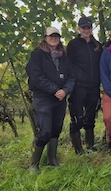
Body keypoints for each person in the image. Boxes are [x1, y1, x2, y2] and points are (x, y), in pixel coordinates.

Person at [26, 26, 75, 170]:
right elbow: (36, 77)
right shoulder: (37, 55)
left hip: (60, 98)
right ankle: (34, 164)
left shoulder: (64, 56)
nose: (54, 39)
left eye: (56, 36)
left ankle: (52, 159)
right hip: (43, 97)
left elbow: (72, 76)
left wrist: (65, 90)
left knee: (56, 129)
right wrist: (55, 90)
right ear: (45, 38)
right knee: (44, 131)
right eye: (50, 36)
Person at [67, 16, 102, 154]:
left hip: (93, 86)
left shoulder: (97, 45)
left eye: (88, 27)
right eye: (83, 28)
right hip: (78, 86)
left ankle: (90, 146)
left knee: (90, 117)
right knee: (77, 118)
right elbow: (68, 65)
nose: (86, 30)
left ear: (91, 28)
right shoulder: (73, 45)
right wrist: (73, 81)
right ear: (79, 29)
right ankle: (78, 149)